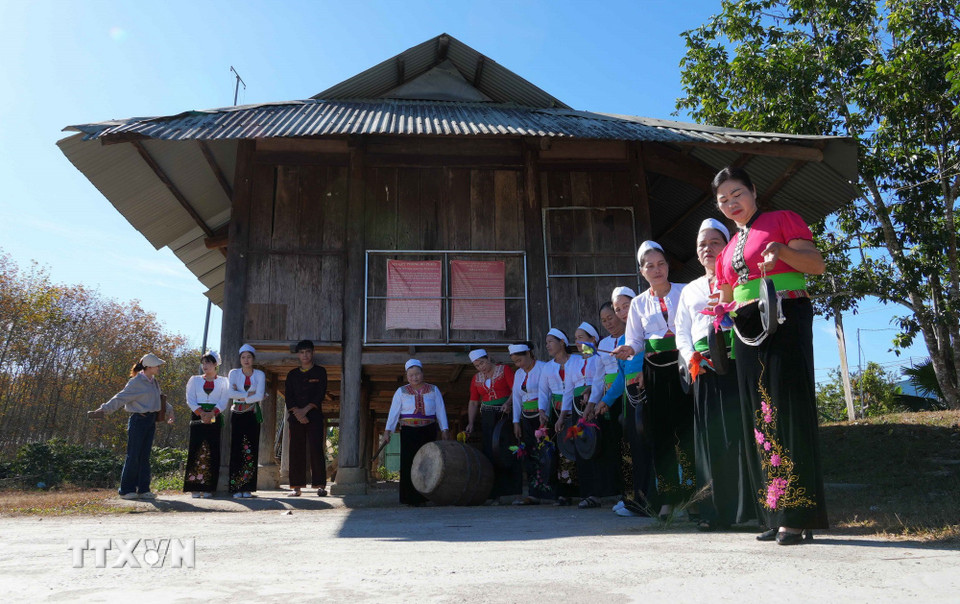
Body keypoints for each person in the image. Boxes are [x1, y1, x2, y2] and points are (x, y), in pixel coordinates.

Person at [712, 166, 828, 545]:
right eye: (723, 200)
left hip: (785, 317)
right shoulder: (727, 249)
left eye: (736, 194)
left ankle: (798, 516)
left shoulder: (783, 220)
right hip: (745, 330)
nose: (731, 204)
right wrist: (720, 304)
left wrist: (782, 251)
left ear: (754, 190)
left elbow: (816, 265)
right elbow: (728, 296)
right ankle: (774, 510)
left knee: (787, 408)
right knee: (759, 416)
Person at [676, 218, 755, 531]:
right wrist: (689, 356)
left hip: (739, 362)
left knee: (744, 432)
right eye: (701, 245)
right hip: (704, 367)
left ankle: (749, 510)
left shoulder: (742, 280)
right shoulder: (691, 290)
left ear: (728, 246)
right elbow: (681, 331)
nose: (707, 249)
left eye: (714, 242)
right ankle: (714, 511)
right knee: (710, 440)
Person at [613, 241, 696, 519]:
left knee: (688, 430)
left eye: (661, 263)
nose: (657, 269)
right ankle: (668, 500)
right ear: (641, 271)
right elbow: (636, 339)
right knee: (661, 434)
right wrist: (629, 349)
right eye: (650, 266)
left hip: (684, 364)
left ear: (668, 266)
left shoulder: (686, 291)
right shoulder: (638, 303)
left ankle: (695, 497)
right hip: (655, 370)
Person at [88, 353, 175, 500]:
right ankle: (126, 490)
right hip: (138, 421)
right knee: (133, 456)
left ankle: (143, 489)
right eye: (157, 365)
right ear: (148, 367)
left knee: (145, 456)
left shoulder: (153, 381)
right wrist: (104, 409)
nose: (159, 367)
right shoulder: (136, 382)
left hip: (150, 421)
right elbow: (120, 397)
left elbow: (160, 398)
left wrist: (170, 411)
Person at [603, 288, 653, 517]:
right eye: (618, 309)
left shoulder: (649, 329)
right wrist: (605, 400)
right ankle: (636, 500)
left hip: (649, 390)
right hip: (632, 397)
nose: (622, 312)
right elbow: (622, 377)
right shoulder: (624, 340)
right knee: (635, 448)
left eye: (626, 306)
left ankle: (658, 500)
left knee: (652, 445)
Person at [383, 359, 450, 506]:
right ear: (407, 376)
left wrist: (445, 429)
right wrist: (388, 431)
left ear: (422, 373)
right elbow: (394, 413)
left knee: (428, 462)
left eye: (417, 374)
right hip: (408, 431)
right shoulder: (401, 391)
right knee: (409, 463)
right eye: (411, 375)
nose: (414, 377)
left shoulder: (433, 389)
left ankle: (425, 497)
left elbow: (440, 410)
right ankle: (409, 498)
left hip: (428, 429)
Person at [574, 321, 622, 509]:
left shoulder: (599, 355)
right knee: (598, 450)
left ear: (593, 339)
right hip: (598, 407)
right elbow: (595, 382)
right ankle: (599, 493)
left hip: (613, 400)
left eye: (581, 338)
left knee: (617, 445)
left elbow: (602, 379)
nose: (577, 343)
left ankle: (621, 492)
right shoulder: (581, 360)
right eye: (575, 339)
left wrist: (595, 400)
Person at [466, 348, 520, 503]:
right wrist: (470, 422)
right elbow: (474, 401)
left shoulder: (504, 370)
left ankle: (513, 492)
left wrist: (508, 404)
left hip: (505, 414)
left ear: (489, 358)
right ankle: (494, 493)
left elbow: (515, 390)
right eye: (477, 365)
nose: (481, 367)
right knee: (491, 452)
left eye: (482, 363)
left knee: (509, 449)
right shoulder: (476, 379)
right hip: (488, 417)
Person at [538, 328, 580, 504]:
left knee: (580, 447)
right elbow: (543, 392)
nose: (547, 345)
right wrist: (542, 412)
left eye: (550, 341)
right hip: (557, 413)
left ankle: (584, 490)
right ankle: (563, 493)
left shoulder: (577, 360)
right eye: (546, 342)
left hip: (576, 411)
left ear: (562, 341)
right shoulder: (548, 367)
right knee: (562, 452)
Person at [509, 342, 551, 504]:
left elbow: (547, 392)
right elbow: (517, 398)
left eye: (519, 360)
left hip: (543, 417)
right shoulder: (518, 374)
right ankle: (534, 494)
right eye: (515, 362)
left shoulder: (543, 368)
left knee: (546, 453)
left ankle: (551, 492)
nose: (517, 364)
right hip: (527, 418)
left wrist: (545, 414)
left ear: (528, 354)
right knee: (530, 454)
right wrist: (516, 421)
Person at [285, 339, 328, 497]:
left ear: (313, 353)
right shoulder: (292, 374)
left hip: (314, 415)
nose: (305, 355)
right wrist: (298, 413)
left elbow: (320, 394)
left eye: (308, 352)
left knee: (316, 448)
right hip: (296, 417)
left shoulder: (320, 372)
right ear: (298, 355)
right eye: (302, 352)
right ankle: (296, 487)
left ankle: (320, 485)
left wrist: (306, 411)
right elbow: (289, 397)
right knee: (296, 450)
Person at [183, 351, 230, 498]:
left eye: (208, 362)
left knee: (212, 449)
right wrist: (201, 413)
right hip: (198, 416)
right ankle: (194, 487)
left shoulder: (223, 381)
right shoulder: (194, 380)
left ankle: (209, 487)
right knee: (195, 448)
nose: (205, 366)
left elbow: (224, 401)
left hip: (214, 416)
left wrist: (212, 413)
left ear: (215, 364)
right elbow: (190, 399)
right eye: (203, 363)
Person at [227, 344, 265, 499]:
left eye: (249, 357)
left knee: (250, 448)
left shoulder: (260, 374)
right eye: (243, 357)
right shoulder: (234, 373)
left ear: (253, 359)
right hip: (237, 413)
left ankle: (247, 487)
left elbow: (260, 396)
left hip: (251, 414)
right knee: (236, 449)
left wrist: (240, 394)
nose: (246, 360)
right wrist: (250, 393)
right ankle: (236, 487)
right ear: (240, 359)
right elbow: (230, 393)